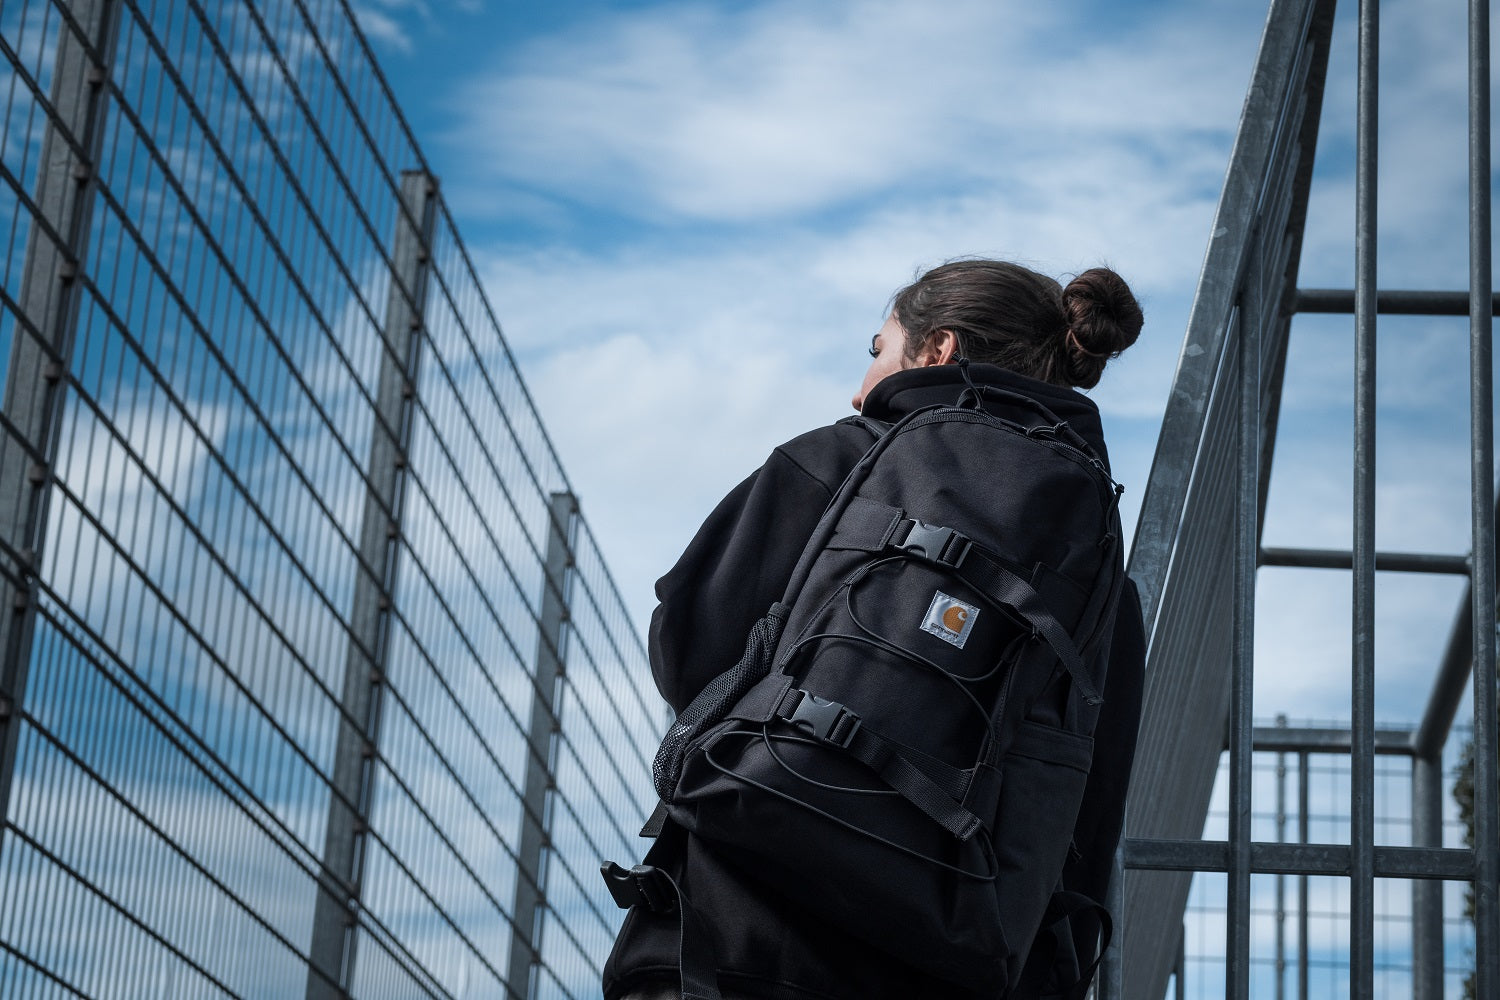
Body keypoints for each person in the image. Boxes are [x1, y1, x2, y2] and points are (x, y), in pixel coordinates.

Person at [603, 258, 1148, 1000]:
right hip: (948, 965)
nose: (861, 388)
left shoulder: (839, 460)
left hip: (728, 944)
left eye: (877, 352)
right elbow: (1086, 817)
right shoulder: (1102, 584)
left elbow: (688, 645)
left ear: (939, 351)